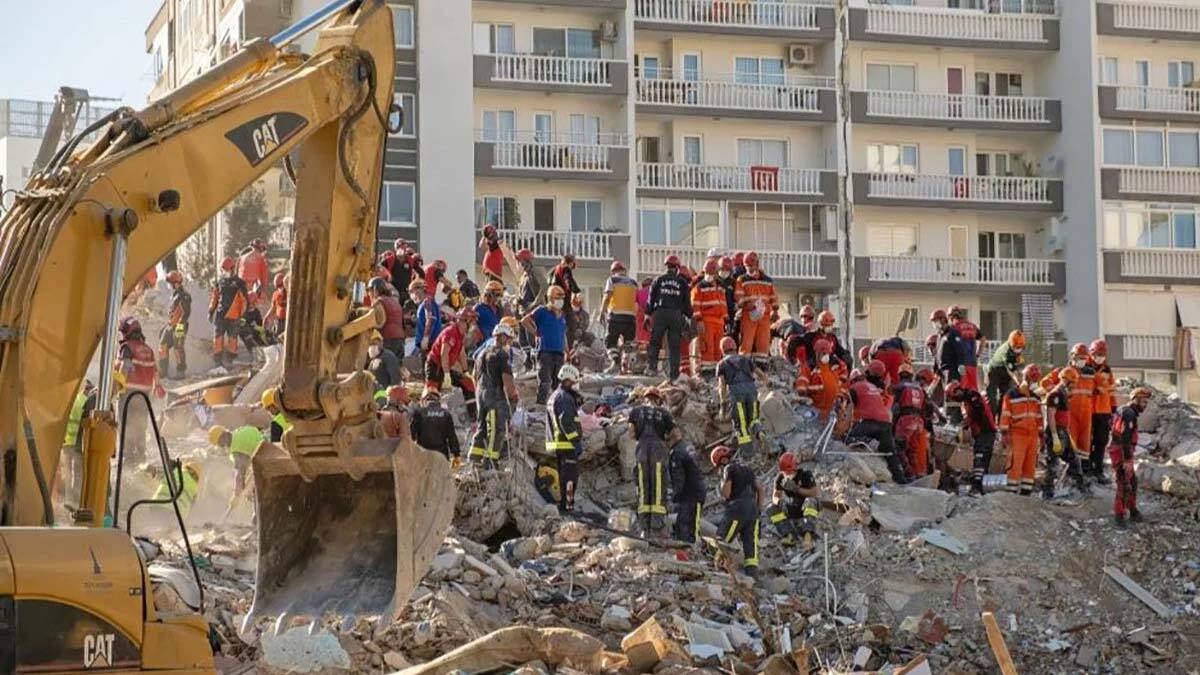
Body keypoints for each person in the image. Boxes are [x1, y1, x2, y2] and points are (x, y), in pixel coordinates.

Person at [848, 360, 908, 483]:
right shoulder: (875, 387)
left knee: (849, 438)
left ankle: (870, 442)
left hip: (869, 421)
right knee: (890, 454)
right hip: (886, 422)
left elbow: (849, 410)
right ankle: (902, 482)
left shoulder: (854, 388)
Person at [116, 317, 165, 464]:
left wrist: (118, 385)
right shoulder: (148, 350)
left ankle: (127, 459)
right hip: (144, 397)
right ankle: (141, 457)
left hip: (128, 394)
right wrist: (158, 386)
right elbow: (155, 371)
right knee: (140, 426)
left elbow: (125, 366)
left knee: (126, 425)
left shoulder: (127, 348)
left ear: (127, 331)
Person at [628, 387, 676, 537]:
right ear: (659, 400)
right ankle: (656, 525)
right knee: (659, 485)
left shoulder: (636, 411)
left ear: (645, 398)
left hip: (642, 448)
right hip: (658, 449)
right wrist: (666, 441)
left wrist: (640, 439)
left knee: (643, 485)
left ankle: (644, 527)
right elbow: (675, 433)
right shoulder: (664, 413)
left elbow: (631, 433)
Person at [471, 323, 520, 468]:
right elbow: (507, 381)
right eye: (509, 339)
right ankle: (490, 464)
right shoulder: (501, 355)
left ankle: (474, 459)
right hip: (494, 398)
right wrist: (514, 396)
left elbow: (474, 376)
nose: (509, 342)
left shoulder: (481, 354)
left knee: (482, 428)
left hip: (480, 396)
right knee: (496, 431)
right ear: (503, 337)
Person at [710, 444, 761, 578]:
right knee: (750, 545)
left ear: (722, 460)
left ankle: (717, 566)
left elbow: (726, 493)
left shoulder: (728, 469)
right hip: (752, 510)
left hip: (737, 509)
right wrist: (758, 510)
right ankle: (752, 575)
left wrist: (722, 482)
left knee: (723, 537)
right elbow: (760, 490)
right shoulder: (747, 469)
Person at [1042, 367, 1088, 499]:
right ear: (1066, 380)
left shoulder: (1063, 393)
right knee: (1053, 464)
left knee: (1075, 460)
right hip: (1056, 432)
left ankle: (1078, 489)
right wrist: (1055, 436)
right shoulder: (1055, 394)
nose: (1075, 385)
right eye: (1073, 382)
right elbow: (1051, 416)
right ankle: (1047, 493)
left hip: (1063, 432)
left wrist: (1067, 435)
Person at [1110, 387, 1152, 527]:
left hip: (1121, 449)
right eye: (1143, 402)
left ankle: (1132, 509)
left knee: (1132, 482)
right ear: (1136, 400)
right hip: (1121, 451)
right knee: (1124, 482)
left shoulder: (1124, 410)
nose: (1145, 405)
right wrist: (1127, 460)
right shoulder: (1129, 414)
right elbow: (1125, 437)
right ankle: (1119, 516)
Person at [945, 381, 997, 495]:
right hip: (981, 433)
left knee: (980, 457)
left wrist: (967, 423)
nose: (956, 399)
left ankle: (976, 487)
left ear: (957, 390)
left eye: (954, 396)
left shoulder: (972, 396)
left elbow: (978, 413)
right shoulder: (966, 401)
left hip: (986, 431)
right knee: (981, 459)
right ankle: (980, 487)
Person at [716, 336, 765, 456]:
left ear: (722, 350)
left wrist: (723, 404)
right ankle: (761, 435)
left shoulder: (722, 364)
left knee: (741, 425)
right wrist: (766, 383)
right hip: (752, 390)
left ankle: (748, 454)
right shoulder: (745, 359)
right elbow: (760, 373)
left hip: (737, 394)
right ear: (735, 347)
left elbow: (722, 385)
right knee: (754, 419)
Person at [425, 309, 478, 420]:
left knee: (468, 383)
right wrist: (446, 374)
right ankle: (429, 420)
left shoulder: (461, 335)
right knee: (432, 393)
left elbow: (462, 354)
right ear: (464, 321)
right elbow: (444, 354)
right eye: (471, 321)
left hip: (445, 367)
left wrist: (465, 372)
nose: (473, 325)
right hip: (435, 366)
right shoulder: (451, 332)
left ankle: (473, 417)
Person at [999, 365, 1043, 495]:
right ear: (1026, 378)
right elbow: (1005, 414)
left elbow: (1039, 417)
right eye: (1033, 380)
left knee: (1030, 467)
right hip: (1017, 435)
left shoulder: (1035, 398)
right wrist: (1004, 433)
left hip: (1033, 436)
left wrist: (1041, 435)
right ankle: (1011, 494)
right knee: (1015, 465)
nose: (1035, 383)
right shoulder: (1011, 395)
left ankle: (1026, 494)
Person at [647, 255, 693, 379]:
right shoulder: (682, 282)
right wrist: (689, 315)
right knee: (674, 346)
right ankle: (674, 375)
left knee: (655, 342)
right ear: (677, 268)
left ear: (666, 266)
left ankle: (652, 368)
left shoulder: (658, 280)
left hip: (660, 314)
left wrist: (647, 313)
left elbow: (651, 299)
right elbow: (687, 303)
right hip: (675, 315)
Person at [545, 364, 583, 513]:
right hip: (567, 446)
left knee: (564, 478)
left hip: (559, 445)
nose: (575, 386)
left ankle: (565, 507)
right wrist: (576, 439)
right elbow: (565, 421)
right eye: (573, 382)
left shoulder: (555, 395)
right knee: (570, 480)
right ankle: (568, 509)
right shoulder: (564, 398)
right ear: (567, 380)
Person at [522, 285, 569, 405]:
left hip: (559, 353)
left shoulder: (562, 315)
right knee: (545, 382)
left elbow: (563, 333)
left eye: (562, 298)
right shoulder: (542, 311)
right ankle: (540, 407)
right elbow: (525, 321)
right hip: (545, 352)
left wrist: (567, 350)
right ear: (550, 298)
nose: (560, 301)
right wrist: (535, 333)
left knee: (558, 384)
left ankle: (556, 406)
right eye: (558, 298)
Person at [209, 423, 264, 520]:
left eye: (221, 444)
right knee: (251, 488)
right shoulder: (238, 433)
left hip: (265, 461)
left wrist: (236, 495)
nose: (223, 446)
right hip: (267, 450)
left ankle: (258, 518)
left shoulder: (237, 448)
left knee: (254, 492)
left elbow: (240, 475)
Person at [767, 452, 820, 550]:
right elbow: (775, 496)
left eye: (789, 472)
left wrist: (796, 489)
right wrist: (779, 502)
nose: (787, 475)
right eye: (785, 473)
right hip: (793, 506)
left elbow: (814, 493)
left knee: (810, 501)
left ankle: (808, 535)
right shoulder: (781, 478)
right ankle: (789, 535)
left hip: (807, 506)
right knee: (771, 508)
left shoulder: (805, 475)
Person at [734, 252, 777, 364]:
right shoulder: (742, 279)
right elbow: (738, 297)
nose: (749, 269)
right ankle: (743, 365)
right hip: (748, 315)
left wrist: (775, 310)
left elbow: (773, 297)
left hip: (765, 316)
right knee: (746, 343)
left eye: (751, 266)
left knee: (763, 343)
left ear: (757, 264)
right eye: (747, 266)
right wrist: (746, 303)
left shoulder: (767, 280)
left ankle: (761, 365)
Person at [61, 379, 98, 509]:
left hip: (67, 441)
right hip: (77, 442)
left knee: (67, 472)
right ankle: (76, 500)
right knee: (77, 472)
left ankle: (68, 498)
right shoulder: (86, 402)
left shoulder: (75, 399)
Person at [209, 256, 250, 368]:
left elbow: (245, 301)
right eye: (224, 270)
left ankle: (229, 361)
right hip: (220, 315)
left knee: (232, 339)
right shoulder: (220, 282)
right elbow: (215, 297)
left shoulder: (239, 283)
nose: (225, 272)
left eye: (227, 270)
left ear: (232, 269)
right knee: (218, 338)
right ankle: (217, 363)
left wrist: (243, 316)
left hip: (234, 316)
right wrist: (211, 311)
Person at [892, 363, 930, 478]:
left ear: (899, 375)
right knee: (911, 451)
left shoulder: (899, 387)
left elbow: (895, 408)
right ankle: (916, 475)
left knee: (898, 447)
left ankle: (908, 474)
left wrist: (892, 424)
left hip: (906, 420)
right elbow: (927, 407)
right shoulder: (920, 389)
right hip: (919, 422)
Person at [600, 260, 638, 374]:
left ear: (613, 271)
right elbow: (636, 301)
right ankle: (628, 366)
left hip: (616, 316)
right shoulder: (634, 283)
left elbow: (607, 297)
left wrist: (602, 312)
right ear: (624, 271)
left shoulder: (612, 280)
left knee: (610, 342)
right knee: (628, 344)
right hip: (630, 318)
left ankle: (615, 362)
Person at [667, 428, 705, 544]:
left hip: (690, 495)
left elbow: (679, 479)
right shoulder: (687, 447)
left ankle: (689, 547)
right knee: (690, 523)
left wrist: (674, 498)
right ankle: (690, 545)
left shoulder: (676, 453)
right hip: (697, 491)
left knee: (686, 525)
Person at [691, 258, 729, 375]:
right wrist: (699, 320)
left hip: (719, 322)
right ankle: (707, 371)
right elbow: (695, 305)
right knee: (707, 347)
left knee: (718, 348)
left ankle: (717, 371)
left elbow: (723, 304)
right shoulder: (700, 287)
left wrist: (726, 320)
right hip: (706, 321)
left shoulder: (721, 287)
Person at [1063, 342, 1096, 463]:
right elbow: (1046, 383)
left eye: (1084, 358)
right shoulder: (1065, 371)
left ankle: (1083, 469)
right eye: (1080, 358)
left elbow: (1098, 389)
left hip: (1086, 413)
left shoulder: (1090, 373)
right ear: (1073, 357)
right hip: (1071, 412)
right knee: (1071, 442)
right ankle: (1070, 467)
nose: (1082, 361)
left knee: (1084, 444)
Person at [410, 388, 460, 462]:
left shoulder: (419, 413)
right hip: (441, 455)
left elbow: (411, 434)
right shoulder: (446, 414)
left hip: (423, 454)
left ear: (424, 400)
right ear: (438, 400)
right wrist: (456, 455)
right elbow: (452, 436)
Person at [1089, 339, 1115, 485]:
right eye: (1098, 354)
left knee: (1101, 441)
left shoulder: (1107, 370)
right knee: (1087, 441)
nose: (1100, 357)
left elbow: (1111, 390)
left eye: (1103, 354)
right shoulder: (1084, 367)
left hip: (1104, 410)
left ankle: (1098, 470)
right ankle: (1087, 469)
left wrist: (1113, 408)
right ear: (1092, 354)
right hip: (1088, 410)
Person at [158, 270, 191, 379]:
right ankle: (163, 371)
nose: (169, 285)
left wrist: (179, 326)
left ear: (175, 283)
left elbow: (185, 313)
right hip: (171, 325)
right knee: (162, 344)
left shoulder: (184, 296)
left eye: (170, 283)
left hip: (180, 326)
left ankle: (181, 372)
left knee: (178, 347)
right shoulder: (174, 295)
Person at [931, 309, 963, 420]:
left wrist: (961, 365)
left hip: (952, 370)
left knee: (952, 394)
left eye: (936, 321)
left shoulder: (953, 333)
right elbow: (937, 353)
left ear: (943, 319)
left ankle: (954, 418)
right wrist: (936, 368)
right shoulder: (940, 335)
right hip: (943, 371)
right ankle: (947, 416)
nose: (935, 324)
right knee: (944, 395)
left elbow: (960, 350)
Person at [986, 330, 1026, 415]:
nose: (1019, 350)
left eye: (1021, 347)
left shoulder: (1018, 349)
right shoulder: (1006, 352)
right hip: (994, 372)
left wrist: (1024, 379)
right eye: (1017, 347)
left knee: (1005, 398)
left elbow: (1020, 367)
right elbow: (1013, 372)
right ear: (1012, 344)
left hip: (1005, 373)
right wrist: (1020, 384)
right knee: (992, 400)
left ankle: (1001, 420)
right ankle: (991, 420)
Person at [808, 338, 846, 422]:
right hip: (829, 416)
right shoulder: (832, 372)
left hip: (822, 417)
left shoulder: (817, 375)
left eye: (825, 353)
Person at [549, 254, 582, 349]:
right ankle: (569, 348)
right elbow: (569, 280)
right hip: (563, 303)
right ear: (571, 263)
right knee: (571, 325)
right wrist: (577, 291)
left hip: (553, 303)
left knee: (556, 325)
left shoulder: (554, 270)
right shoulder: (566, 269)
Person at [368, 277, 406, 357]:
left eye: (369, 290)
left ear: (375, 289)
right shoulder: (395, 302)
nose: (368, 294)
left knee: (385, 363)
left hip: (388, 339)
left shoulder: (378, 302)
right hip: (400, 339)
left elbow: (378, 323)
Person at [950, 306, 984, 392]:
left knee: (962, 390)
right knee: (973, 390)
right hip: (973, 363)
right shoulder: (973, 326)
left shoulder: (954, 327)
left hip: (961, 363)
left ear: (951, 317)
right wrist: (978, 354)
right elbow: (983, 339)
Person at [411, 279, 443, 359]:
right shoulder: (425, 303)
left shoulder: (427, 301)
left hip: (429, 343)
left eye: (412, 291)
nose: (412, 295)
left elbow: (430, 319)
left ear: (418, 290)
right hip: (427, 343)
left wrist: (426, 337)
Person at [237, 239, 270, 309]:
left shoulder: (242, 257)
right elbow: (264, 278)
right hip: (254, 289)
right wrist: (263, 291)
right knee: (264, 306)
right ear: (261, 249)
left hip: (241, 289)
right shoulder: (261, 258)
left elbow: (238, 274)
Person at [474, 280, 505, 351]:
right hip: (483, 346)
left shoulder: (499, 310)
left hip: (496, 344)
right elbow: (471, 322)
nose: (499, 297)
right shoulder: (479, 308)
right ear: (489, 294)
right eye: (497, 295)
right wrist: (476, 329)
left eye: (500, 295)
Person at [270, 272, 288, 337]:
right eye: (275, 280)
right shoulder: (275, 294)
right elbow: (273, 307)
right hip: (278, 320)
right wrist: (267, 317)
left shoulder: (288, 292)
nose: (276, 282)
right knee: (276, 337)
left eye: (277, 280)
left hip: (286, 319)